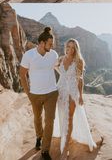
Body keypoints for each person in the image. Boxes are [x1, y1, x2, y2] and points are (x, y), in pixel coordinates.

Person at [53, 39, 96, 159]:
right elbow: (55, 66)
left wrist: (81, 96)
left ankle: (65, 148)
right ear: (66, 47)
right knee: (62, 116)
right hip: (60, 90)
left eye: (73, 48)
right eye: (69, 47)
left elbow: (80, 79)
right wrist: (62, 75)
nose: (70, 50)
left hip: (72, 92)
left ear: (76, 49)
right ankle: (67, 137)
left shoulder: (79, 61)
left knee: (69, 118)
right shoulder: (61, 59)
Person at [19, 27, 58, 160]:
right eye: (49, 44)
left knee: (50, 121)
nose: (51, 46)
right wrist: (28, 93)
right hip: (34, 94)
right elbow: (22, 74)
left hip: (52, 93)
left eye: (52, 44)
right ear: (41, 43)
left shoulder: (53, 55)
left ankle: (45, 150)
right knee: (37, 118)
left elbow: (59, 69)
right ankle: (38, 136)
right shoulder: (29, 55)